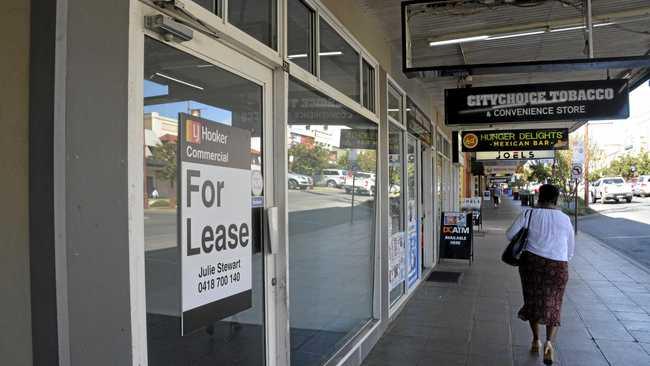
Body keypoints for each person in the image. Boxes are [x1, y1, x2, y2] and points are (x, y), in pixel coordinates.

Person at [506, 184, 574, 365]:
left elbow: (510, 234)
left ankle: (536, 340)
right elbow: (570, 250)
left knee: (533, 301)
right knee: (554, 303)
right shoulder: (565, 219)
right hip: (558, 266)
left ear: (539, 197)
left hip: (532, 265)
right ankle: (549, 344)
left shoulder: (529, 214)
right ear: (556, 198)